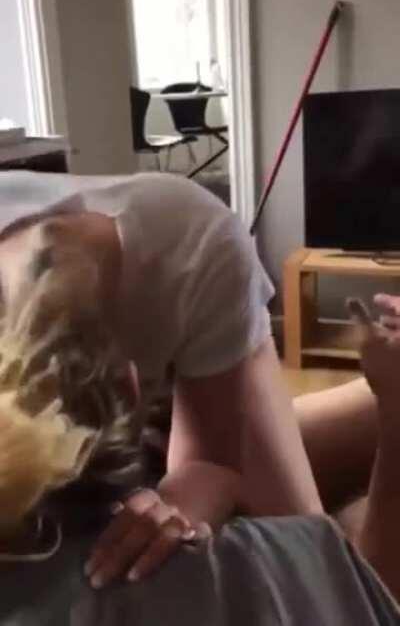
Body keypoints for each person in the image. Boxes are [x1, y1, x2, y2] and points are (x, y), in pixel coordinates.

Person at [0, 170, 399, 614]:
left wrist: (173, 509)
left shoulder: (187, 247)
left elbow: (213, 465)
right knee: (311, 561)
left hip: (169, 403)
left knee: (307, 549)